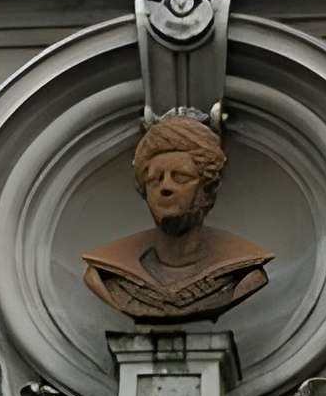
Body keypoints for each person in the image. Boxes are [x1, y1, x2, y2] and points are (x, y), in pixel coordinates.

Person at [81, 115, 273, 322]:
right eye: (155, 179)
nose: (165, 187)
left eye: (180, 177)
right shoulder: (107, 278)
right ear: (144, 191)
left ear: (207, 190)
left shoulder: (242, 276)